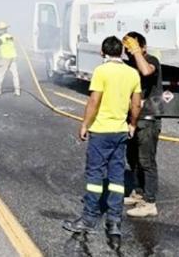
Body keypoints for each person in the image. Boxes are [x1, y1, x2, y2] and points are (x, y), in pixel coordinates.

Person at [63, 36, 141, 246]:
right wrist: (132, 124)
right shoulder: (132, 73)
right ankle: (114, 222)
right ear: (122, 52)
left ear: (102, 52)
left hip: (101, 132)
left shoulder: (101, 71)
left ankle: (89, 219)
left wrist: (84, 124)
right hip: (120, 132)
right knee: (117, 178)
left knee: (95, 176)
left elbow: (94, 100)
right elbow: (136, 105)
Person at [122, 32, 162, 218]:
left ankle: (150, 202)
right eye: (128, 48)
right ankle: (138, 193)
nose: (129, 51)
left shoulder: (151, 59)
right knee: (133, 158)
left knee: (146, 160)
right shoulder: (129, 64)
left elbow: (146, 71)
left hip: (148, 118)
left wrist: (138, 51)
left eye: (133, 47)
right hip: (133, 118)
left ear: (143, 47)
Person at [0, 22, 20, 96]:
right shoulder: (10, 36)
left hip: (5, 58)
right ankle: (17, 91)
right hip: (13, 57)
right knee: (15, 74)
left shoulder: (1, 38)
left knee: (1, 74)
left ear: (1, 30)